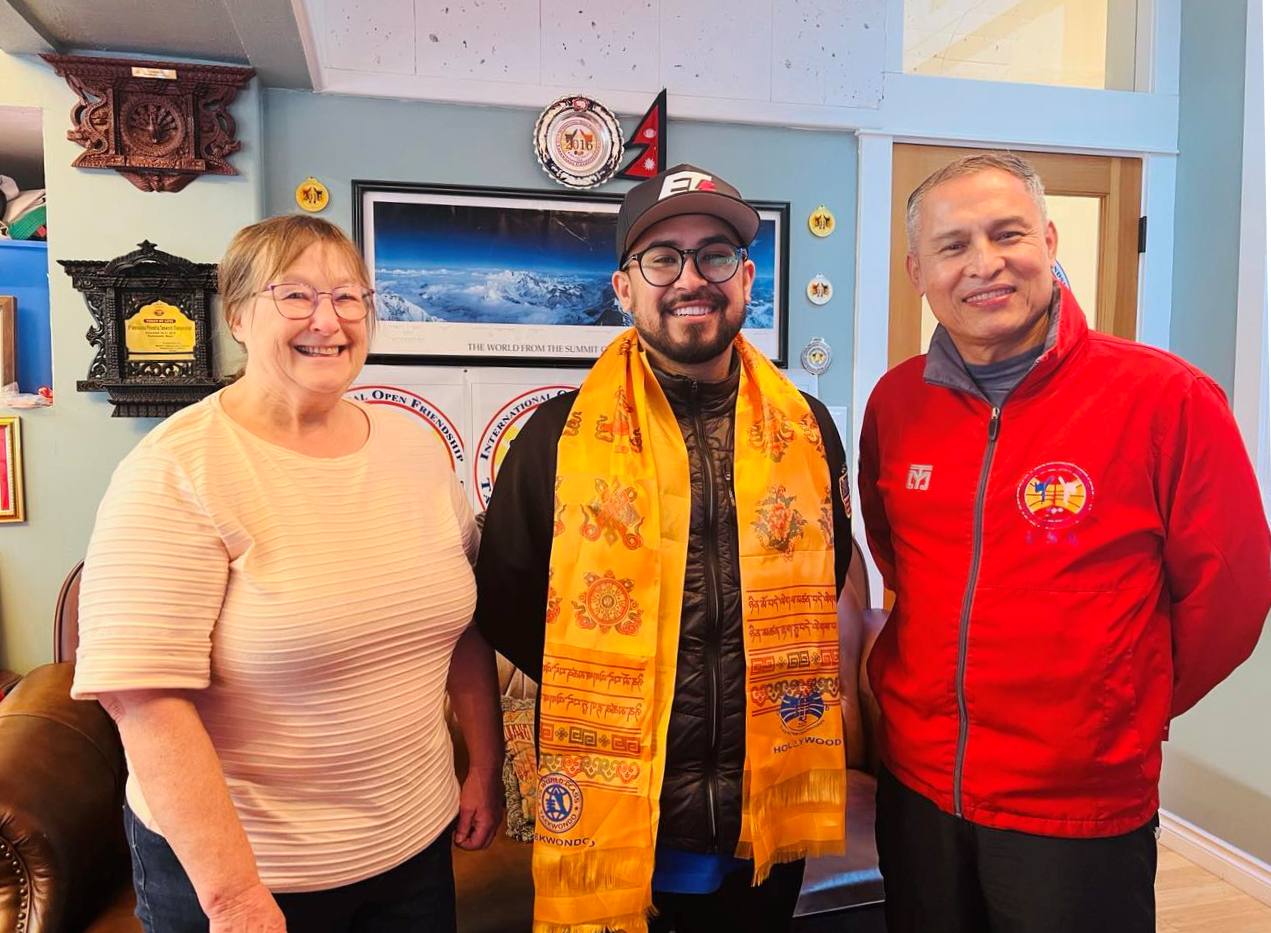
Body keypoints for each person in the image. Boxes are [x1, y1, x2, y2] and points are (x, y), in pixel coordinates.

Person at [858, 151, 1271, 933]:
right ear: (917, 271)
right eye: (952, 245)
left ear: (1048, 241)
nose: (984, 262)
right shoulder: (896, 401)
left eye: (1007, 233)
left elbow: (1233, 595)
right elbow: (898, 558)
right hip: (917, 786)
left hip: (1076, 806)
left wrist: (1117, 708)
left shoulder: (1167, 398)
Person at [71, 215, 504, 933]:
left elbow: (463, 626)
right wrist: (235, 898)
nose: (327, 321)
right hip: (249, 872)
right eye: (295, 295)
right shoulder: (175, 468)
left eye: (348, 296)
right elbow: (142, 698)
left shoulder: (414, 445)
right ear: (238, 316)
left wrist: (485, 767)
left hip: (413, 846)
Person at [475, 164, 856, 933]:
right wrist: (633, 680)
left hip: (761, 814)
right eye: (662, 258)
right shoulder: (552, 438)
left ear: (745, 278)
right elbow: (509, 603)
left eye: (714, 255)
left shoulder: (808, 429)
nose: (690, 278)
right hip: (625, 808)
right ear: (624, 287)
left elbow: (829, 574)